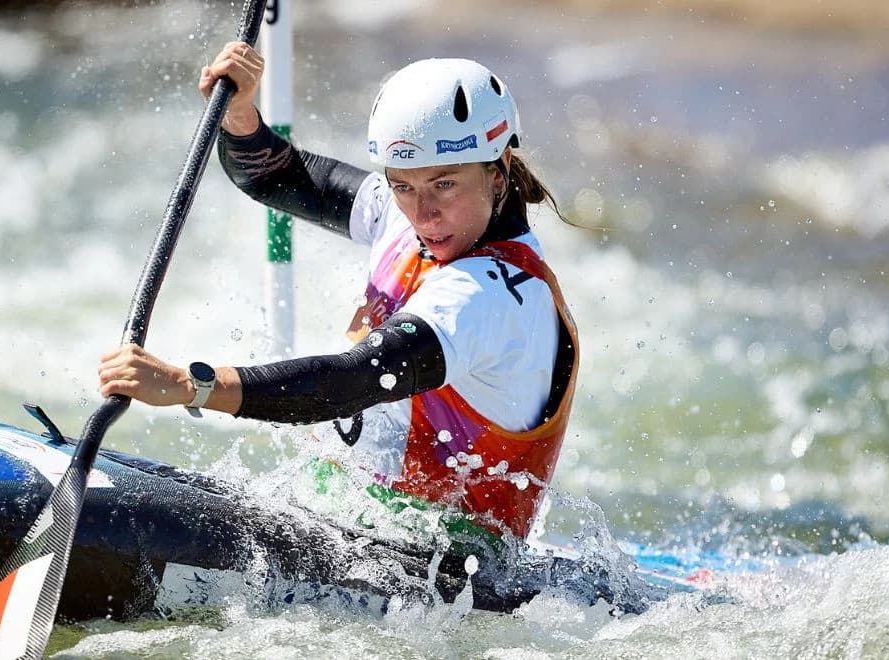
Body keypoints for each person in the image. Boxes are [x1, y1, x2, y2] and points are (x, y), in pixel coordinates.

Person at [98, 42, 579, 540]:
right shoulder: (412, 217)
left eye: (444, 185)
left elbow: (350, 382)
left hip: (443, 560)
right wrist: (239, 113)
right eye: (403, 186)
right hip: (347, 519)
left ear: (498, 174)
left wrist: (189, 385)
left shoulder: (492, 297)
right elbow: (278, 176)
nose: (423, 214)